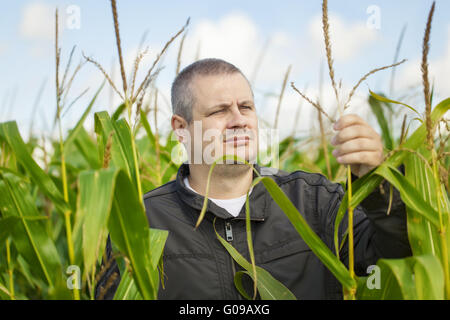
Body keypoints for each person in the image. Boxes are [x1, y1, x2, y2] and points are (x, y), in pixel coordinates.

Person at [95, 58, 411, 300]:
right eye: (220, 111)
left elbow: (398, 252)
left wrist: (378, 180)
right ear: (181, 128)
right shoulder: (139, 221)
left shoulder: (314, 201)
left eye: (246, 107)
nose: (239, 121)